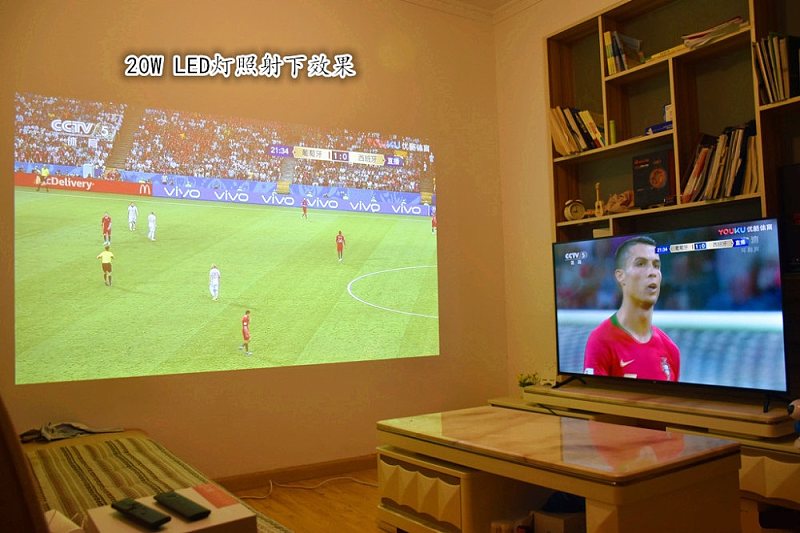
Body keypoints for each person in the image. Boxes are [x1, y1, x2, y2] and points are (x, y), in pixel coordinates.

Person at [583, 235, 680, 382]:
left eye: (656, 265)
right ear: (620, 276)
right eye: (640, 264)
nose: (652, 272)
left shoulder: (671, 349)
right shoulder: (601, 340)